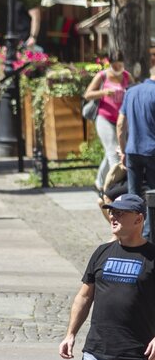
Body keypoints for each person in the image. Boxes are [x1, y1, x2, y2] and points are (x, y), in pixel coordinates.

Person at [58, 193, 154, 360]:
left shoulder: (152, 256)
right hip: (95, 351)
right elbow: (84, 297)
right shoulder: (102, 251)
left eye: (120, 213)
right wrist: (70, 334)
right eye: (112, 212)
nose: (113, 217)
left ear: (138, 219)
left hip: (137, 353)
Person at [117, 54, 155, 240]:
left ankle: (130, 233)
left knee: (133, 196)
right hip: (152, 150)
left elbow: (120, 124)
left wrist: (122, 150)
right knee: (153, 195)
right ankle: (147, 234)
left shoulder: (131, 92)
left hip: (132, 150)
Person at [83, 51, 130, 195]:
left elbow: (134, 91)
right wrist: (103, 93)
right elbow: (87, 94)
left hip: (121, 120)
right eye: (114, 65)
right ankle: (114, 189)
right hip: (104, 118)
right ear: (109, 63)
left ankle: (99, 182)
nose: (117, 68)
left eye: (119, 65)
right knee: (113, 152)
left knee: (110, 151)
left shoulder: (127, 76)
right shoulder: (102, 76)